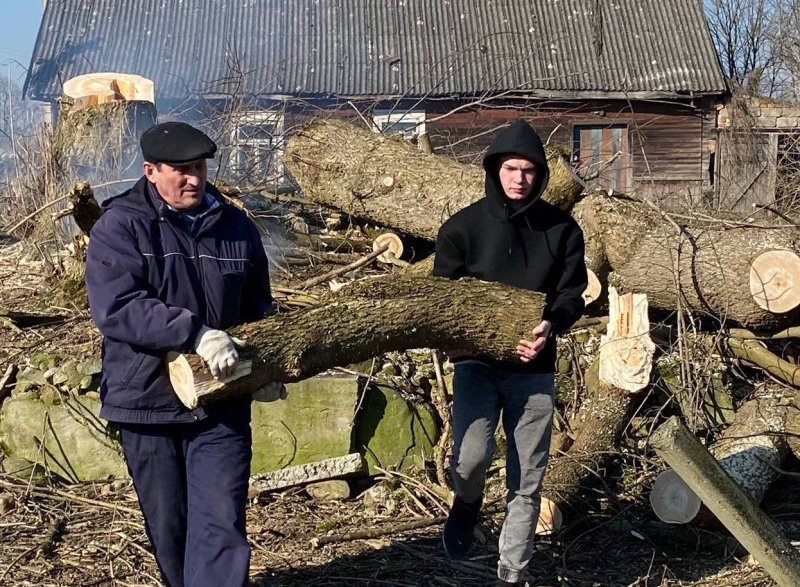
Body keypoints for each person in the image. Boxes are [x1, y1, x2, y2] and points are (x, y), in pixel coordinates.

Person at [85, 122, 279, 587]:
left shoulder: (235, 227)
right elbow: (119, 309)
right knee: (170, 530)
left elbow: (259, 308)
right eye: (180, 171)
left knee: (221, 522)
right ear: (150, 171)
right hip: (145, 401)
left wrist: (266, 365)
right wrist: (195, 333)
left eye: (198, 169)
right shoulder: (120, 227)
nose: (193, 179)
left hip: (220, 401)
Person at [433, 119, 588, 586]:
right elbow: (442, 303)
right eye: (510, 169)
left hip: (533, 368)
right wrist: (461, 341)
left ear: (540, 175)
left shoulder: (561, 230)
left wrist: (550, 325)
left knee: (529, 478)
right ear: (494, 169)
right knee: (472, 457)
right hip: (476, 365)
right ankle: (467, 503)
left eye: (528, 170)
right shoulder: (461, 228)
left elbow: (571, 293)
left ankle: (512, 571)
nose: (519, 179)